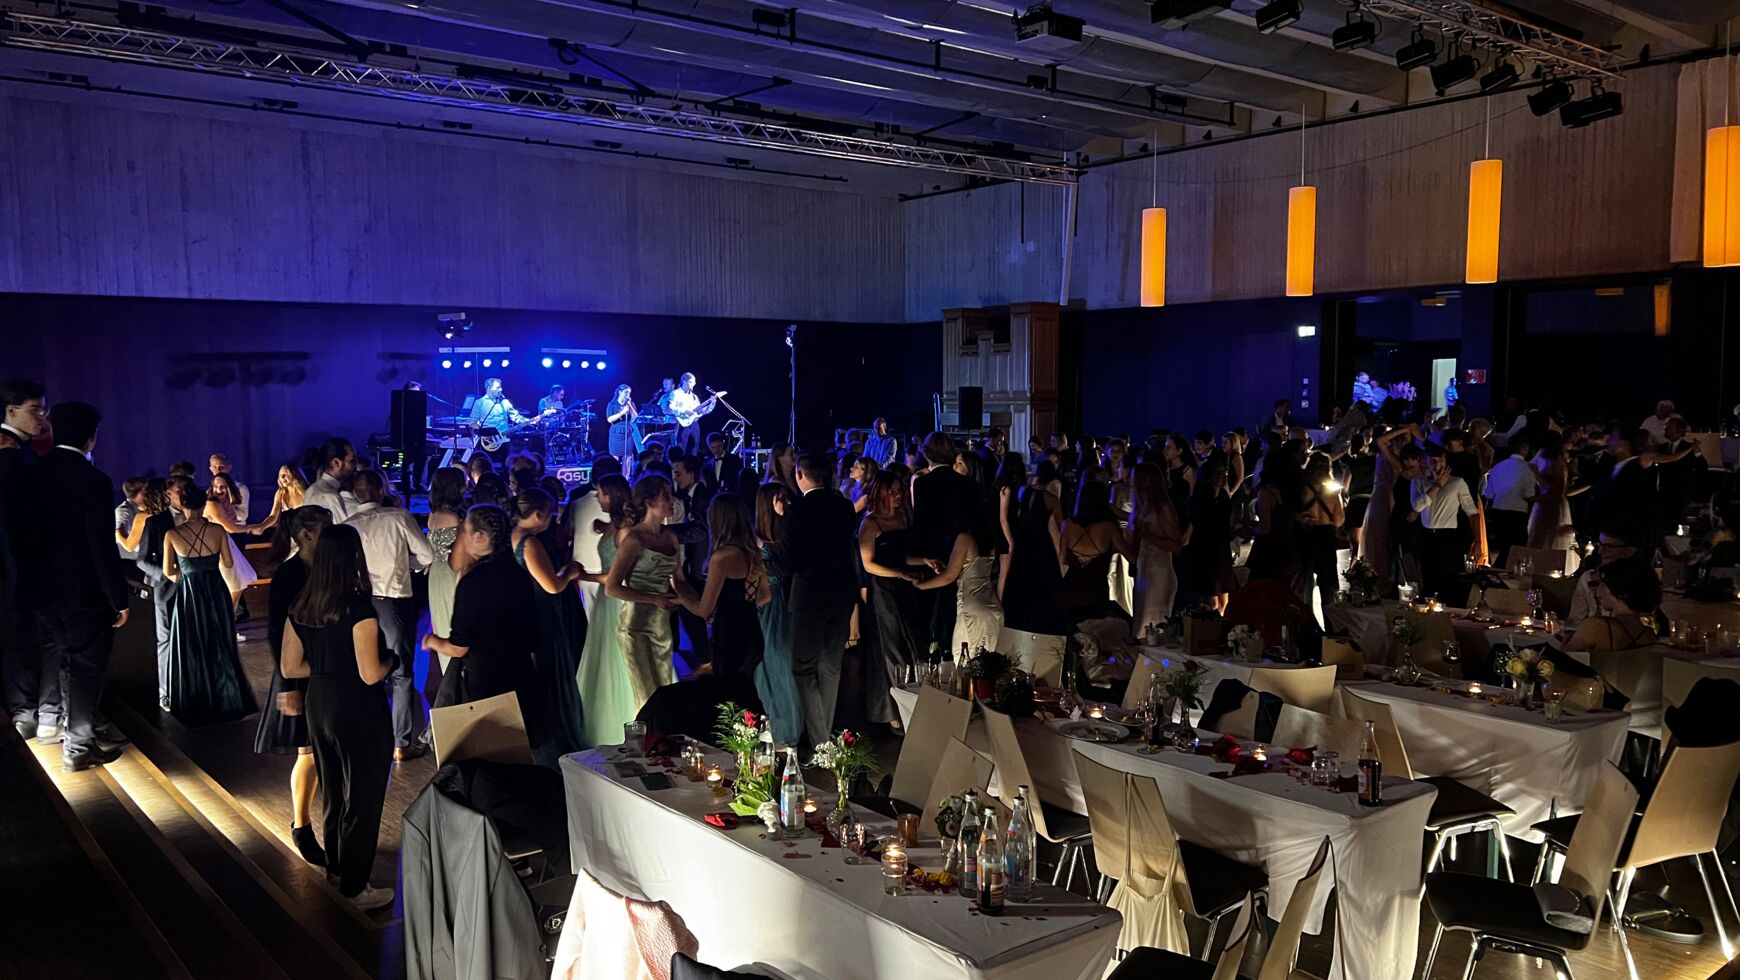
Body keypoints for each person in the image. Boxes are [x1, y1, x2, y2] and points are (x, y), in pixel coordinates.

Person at [278, 523, 395, 911]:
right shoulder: (358, 608)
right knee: (363, 797)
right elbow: (370, 673)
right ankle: (356, 887)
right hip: (358, 708)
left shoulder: (302, 605)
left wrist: (328, 666)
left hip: (320, 703)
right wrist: (393, 660)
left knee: (333, 791)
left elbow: (290, 667)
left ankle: (336, 870)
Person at [26, 402, 131, 771]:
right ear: (91, 437)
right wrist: (118, 598)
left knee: (60, 661)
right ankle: (78, 748)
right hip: (84, 595)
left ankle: (54, 726)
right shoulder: (93, 480)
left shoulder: (33, 473)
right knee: (85, 671)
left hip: (41, 592)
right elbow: (101, 545)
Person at [422, 505, 555, 759]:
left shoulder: (474, 582)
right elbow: (533, 635)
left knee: (488, 756)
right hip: (519, 675)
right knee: (518, 755)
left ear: (480, 537)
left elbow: (459, 647)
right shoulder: (518, 574)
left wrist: (432, 641)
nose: (460, 538)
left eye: (464, 531)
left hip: (485, 680)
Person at [255, 505, 331, 867]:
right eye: (325, 529)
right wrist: (288, 684)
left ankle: (321, 826)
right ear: (306, 535)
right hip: (299, 672)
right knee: (308, 751)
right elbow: (276, 631)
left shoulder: (327, 568)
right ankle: (302, 825)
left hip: (326, 669)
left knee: (320, 751)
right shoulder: (288, 575)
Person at [344, 470, 434, 759]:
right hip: (394, 602)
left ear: (356, 494)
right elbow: (427, 555)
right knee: (401, 672)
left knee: (365, 669)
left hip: (360, 602)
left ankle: (368, 734)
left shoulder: (347, 525)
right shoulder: (398, 517)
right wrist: (405, 564)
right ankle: (400, 743)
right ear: (381, 490)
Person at [774, 453, 859, 746]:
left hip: (810, 596)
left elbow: (790, 562)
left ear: (800, 474)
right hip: (841, 593)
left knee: (803, 668)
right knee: (830, 667)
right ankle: (824, 741)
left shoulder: (797, 510)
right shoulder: (844, 507)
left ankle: (821, 743)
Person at [162, 476, 258, 726]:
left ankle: (196, 703)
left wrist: (188, 575)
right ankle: (228, 701)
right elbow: (228, 563)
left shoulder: (172, 534)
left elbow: (168, 571)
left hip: (190, 593)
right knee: (220, 643)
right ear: (203, 505)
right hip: (215, 589)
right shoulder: (217, 531)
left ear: (183, 506)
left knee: (192, 645)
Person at [508, 489, 586, 754]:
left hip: (525, 611)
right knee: (553, 670)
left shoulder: (509, 535)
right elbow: (552, 585)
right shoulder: (529, 543)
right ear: (538, 514)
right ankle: (558, 735)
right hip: (543, 612)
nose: (553, 519)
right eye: (550, 513)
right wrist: (570, 572)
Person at [1, 379, 53, 738]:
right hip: (17, 564)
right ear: (11, 411)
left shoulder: (21, 451)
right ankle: (25, 711)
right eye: (35, 409)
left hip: (22, 563)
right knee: (21, 637)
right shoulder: (9, 454)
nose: (42, 417)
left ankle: (30, 710)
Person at [605, 475, 683, 711]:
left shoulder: (671, 536)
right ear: (649, 502)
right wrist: (653, 598)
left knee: (667, 691)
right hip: (635, 626)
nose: (672, 500)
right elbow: (612, 587)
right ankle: (648, 735)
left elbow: (680, 581)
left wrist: (700, 606)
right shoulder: (634, 539)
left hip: (660, 623)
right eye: (666, 496)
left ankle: (667, 733)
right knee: (647, 697)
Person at [858, 471, 928, 721]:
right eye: (892, 491)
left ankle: (915, 702)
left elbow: (905, 555)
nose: (897, 496)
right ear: (880, 493)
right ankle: (893, 710)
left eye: (900, 491)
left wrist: (925, 560)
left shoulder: (904, 517)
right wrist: (899, 573)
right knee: (891, 646)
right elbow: (868, 564)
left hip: (906, 586)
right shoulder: (870, 523)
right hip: (884, 590)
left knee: (914, 643)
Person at [676, 493, 769, 680]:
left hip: (729, 634)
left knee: (727, 691)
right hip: (752, 630)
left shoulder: (721, 558)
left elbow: (704, 610)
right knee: (747, 689)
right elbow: (765, 595)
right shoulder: (754, 552)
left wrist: (682, 600)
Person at [917, 475, 1005, 655]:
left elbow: (949, 576)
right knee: (992, 663)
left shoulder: (965, 538)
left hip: (972, 609)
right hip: (993, 607)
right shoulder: (989, 538)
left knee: (966, 661)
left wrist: (921, 585)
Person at [911, 432, 977, 651]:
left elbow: (921, 522)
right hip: (963, 549)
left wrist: (917, 555)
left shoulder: (922, 484)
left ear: (927, 454)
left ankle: (934, 649)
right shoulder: (966, 483)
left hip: (932, 552)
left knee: (931, 609)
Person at [751, 485, 801, 743]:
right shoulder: (755, 540)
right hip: (768, 609)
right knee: (770, 664)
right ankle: (773, 729)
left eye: (786, 497)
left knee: (788, 666)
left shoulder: (793, 535)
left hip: (790, 606)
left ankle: (790, 728)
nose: (786, 503)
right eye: (779, 499)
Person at [1057, 477, 1134, 625]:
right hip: (1096, 591)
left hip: (1071, 589)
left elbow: (1063, 558)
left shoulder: (1068, 525)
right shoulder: (1109, 528)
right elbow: (1131, 557)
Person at [1002, 460, 1064, 633]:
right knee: (1043, 581)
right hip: (1041, 542)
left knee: (1020, 579)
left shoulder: (1023, 491)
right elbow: (1061, 525)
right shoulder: (1051, 499)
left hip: (1022, 540)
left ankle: (1019, 620)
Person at [1410, 445, 1478, 602]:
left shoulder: (1457, 482)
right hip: (1426, 536)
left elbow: (1472, 511)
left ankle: (1448, 609)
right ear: (1426, 462)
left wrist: (1477, 540)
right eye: (1433, 461)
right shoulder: (1418, 482)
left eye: (1441, 461)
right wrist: (1437, 485)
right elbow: (1417, 506)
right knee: (1428, 578)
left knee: (1447, 579)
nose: (1438, 465)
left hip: (1447, 536)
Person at [670, 456, 714, 669]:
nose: (675, 478)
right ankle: (705, 657)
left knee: (694, 611)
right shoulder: (687, 496)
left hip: (701, 563)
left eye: (678, 473)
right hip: (693, 563)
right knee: (691, 611)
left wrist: (667, 534)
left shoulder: (702, 496)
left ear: (691, 474)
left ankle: (707, 658)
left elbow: (701, 531)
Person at [1563, 559, 1663, 652]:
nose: (1599, 591)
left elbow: (1565, 658)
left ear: (1620, 592)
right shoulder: (1648, 633)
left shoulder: (1595, 626)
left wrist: (1565, 639)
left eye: (1604, 585)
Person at [1360, 425, 1415, 594]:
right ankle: (1381, 580)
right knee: (1381, 538)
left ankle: (1383, 580)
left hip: (1383, 498)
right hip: (1385, 499)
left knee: (1382, 539)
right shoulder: (1390, 458)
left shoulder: (1390, 457)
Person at [1128, 462, 1183, 633]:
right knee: (1140, 623)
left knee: (1154, 624)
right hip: (1143, 571)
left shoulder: (1162, 508)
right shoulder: (1139, 505)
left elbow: (1176, 546)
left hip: (1160, 572)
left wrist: (1148, 534)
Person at [425, 468, 467, 680]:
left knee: (443, 619)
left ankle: (449, 673)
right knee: (455, 619)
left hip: (437, 573)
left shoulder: (433, 515)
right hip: (452, 572)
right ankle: (458, 675)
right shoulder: (452, 517)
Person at [203, 471, 261, 616]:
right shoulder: (211, 504)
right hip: (215, 545)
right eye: (216, 486)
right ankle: (225, 619)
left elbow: (234, 521)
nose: (219, 490)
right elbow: (230, 527)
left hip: (226, 542)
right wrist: (251, 528)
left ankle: (228, 618)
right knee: (233, 584)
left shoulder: (226, 503)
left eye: (222, 487)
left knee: (237, 585)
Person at [1296, 454, 1344, 620]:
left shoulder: (1302, 489)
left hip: (1306, 535)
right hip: (1326, 537)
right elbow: (1338, 520)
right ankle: (1331, 624)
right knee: (1328, 585)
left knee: (1305, 584)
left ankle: (1306, 623)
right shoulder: (1333, 491)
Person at [1183, 460, 1236, 611]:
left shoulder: (1223, 496)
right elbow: (1199, 525)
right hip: (1206, 551)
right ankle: (1212, 620)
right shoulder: (1199, 499)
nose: (1223, 476)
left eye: (1224, 472)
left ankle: (1221, 618)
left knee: (1224, 596)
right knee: (1211, 595)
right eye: (1218, 473)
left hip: (1221, 549)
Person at [1483, 434, 1538, 570]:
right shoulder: (1527, 468)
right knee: (1515, 549)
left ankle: (1499, 571)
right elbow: (1528, 494)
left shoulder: (1498, 467)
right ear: (1524, 448)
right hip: (1517, 513)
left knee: (1502, 547)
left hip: (1498, 511)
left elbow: (1489, 493)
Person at [304, 437, 359, 522]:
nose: (357, 466)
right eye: (352, 461)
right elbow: (343, 529)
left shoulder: (311, 490)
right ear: (336, 463)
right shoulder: (331, 497)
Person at [666, 373, 718, 456]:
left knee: (695, 448)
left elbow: (700, 411)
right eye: (691, 382)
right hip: (681, 425)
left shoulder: (694, 397)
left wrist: (711, 406)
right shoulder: (675, 394)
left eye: (694, 382)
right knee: (681, 449)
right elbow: (669, 410)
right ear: (684, 381)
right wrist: (683, 412)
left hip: (694, 424)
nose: (694, 384)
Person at [252, 463, 309, 533]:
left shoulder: (306, 492)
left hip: (306, 530)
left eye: (285, 475)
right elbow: (273, 516)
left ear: (294, 475)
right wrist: (262, 526)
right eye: (280, 475)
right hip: (290, 532)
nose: (282, 477)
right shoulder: (280, 494)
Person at [605, 384, 639, 474]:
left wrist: (630, 405)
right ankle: (615, 477)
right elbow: (609, 419)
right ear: (619, 392)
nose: (628, 395)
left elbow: (636, 417)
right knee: (615, 458)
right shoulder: (612, 404)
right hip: (616, 433)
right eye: (626, 392)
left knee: (627, 458)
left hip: (628, 433)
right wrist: (622, 413)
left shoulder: (631, 404)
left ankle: (626, 478)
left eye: (629, 393)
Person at [209, 453, 252, 523]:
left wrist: (224, 508)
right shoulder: (209, 491)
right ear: (211, 469)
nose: (218, 470)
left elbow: (243, 515)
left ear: (229, 467)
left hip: (237, 527)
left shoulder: (240, 489)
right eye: (215, 467)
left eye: (221, 466)